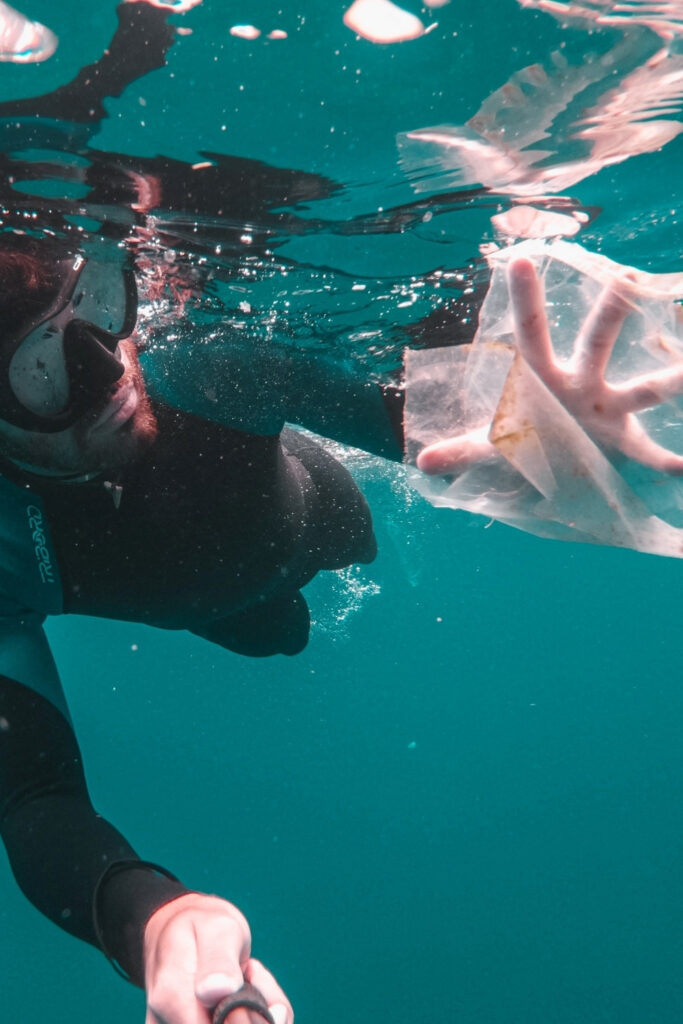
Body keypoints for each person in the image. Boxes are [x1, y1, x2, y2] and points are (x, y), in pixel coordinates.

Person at [2, 5, 683, 1024]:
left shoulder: (213, 366)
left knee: (285, 607)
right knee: (269, 633)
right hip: (221, 594)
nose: (107, 368)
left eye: (100, 304)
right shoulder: (6, 550)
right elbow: (34, 801)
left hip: (314, 522)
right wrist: (156, 919)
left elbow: (424, 422)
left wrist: (540, 427)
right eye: (42, 369)